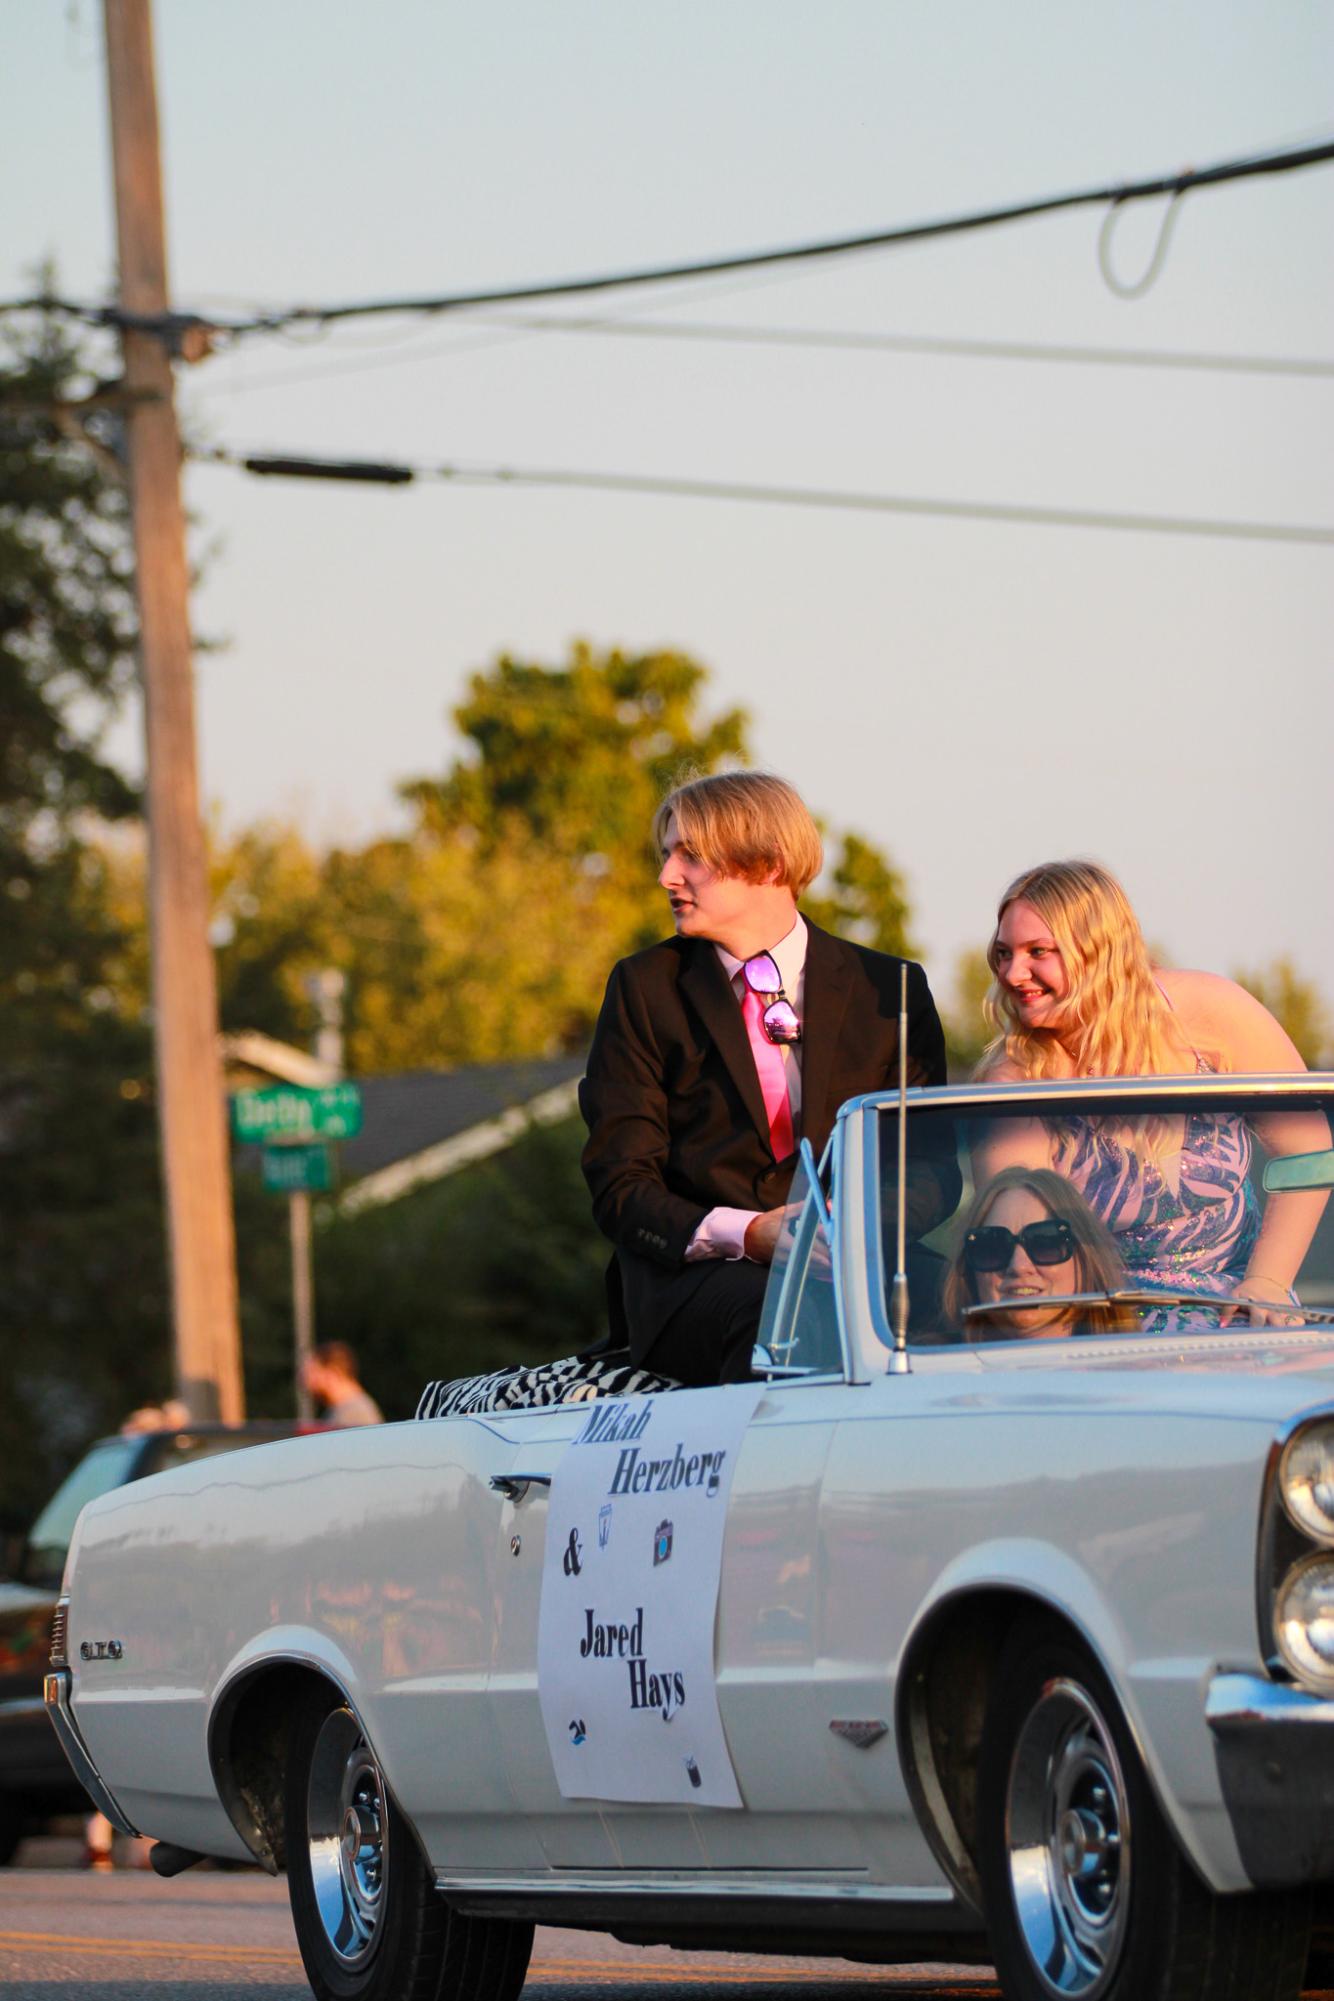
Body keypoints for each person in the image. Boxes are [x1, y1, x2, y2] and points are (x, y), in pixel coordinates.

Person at [580, 770, 957, 1386]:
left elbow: (931, 1169)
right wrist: (749, 1235)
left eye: (691, 856)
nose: (666, 877)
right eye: (667, 853)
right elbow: (620, 1185)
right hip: (699, 1282)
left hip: (861, 1265)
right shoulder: (644, 989)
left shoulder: (891, 989)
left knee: (979, 1300)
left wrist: (852, 1233)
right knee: (783, 1316)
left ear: (771, 866)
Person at [973, 859, 1327, 1325]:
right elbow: (1024, 1254)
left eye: (1038, 951)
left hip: (1247, 1312)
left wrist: (1268, 1281)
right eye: (1003, 954)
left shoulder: (1212, 1011)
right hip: (1102, 1327)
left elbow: (1309, 1147)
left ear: (1097, 951)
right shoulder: (1013, 1083)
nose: (1013, 973)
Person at [941, 1166, 1138, 1339]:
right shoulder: (931, 1370)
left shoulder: (1139, 1375)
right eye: (994, 1246)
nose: (1018, 1266)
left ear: (1086, 1261)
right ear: (969, 1271)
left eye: (1046, 1243)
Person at [301, 1342, 384, 1426]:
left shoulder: (353, 1413)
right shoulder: (341, 1409)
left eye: (312, 1372)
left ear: (332, 1373)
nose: (306, 1382)